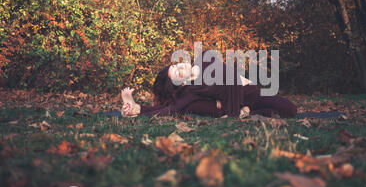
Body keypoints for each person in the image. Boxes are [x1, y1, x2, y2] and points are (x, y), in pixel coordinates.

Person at [121, 51, 297, 118]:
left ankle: (245, 113)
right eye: (177, 72)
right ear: (181, 82)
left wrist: (218, 96)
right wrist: (138, 109)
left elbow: (231, 77)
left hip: (253, 94)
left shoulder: (205, 57)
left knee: (290, 109)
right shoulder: (191, 90)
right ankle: (133, 108)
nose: (180, 66)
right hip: (241, 104)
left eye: (176, 65)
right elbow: (171, 109)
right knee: (184, 107)